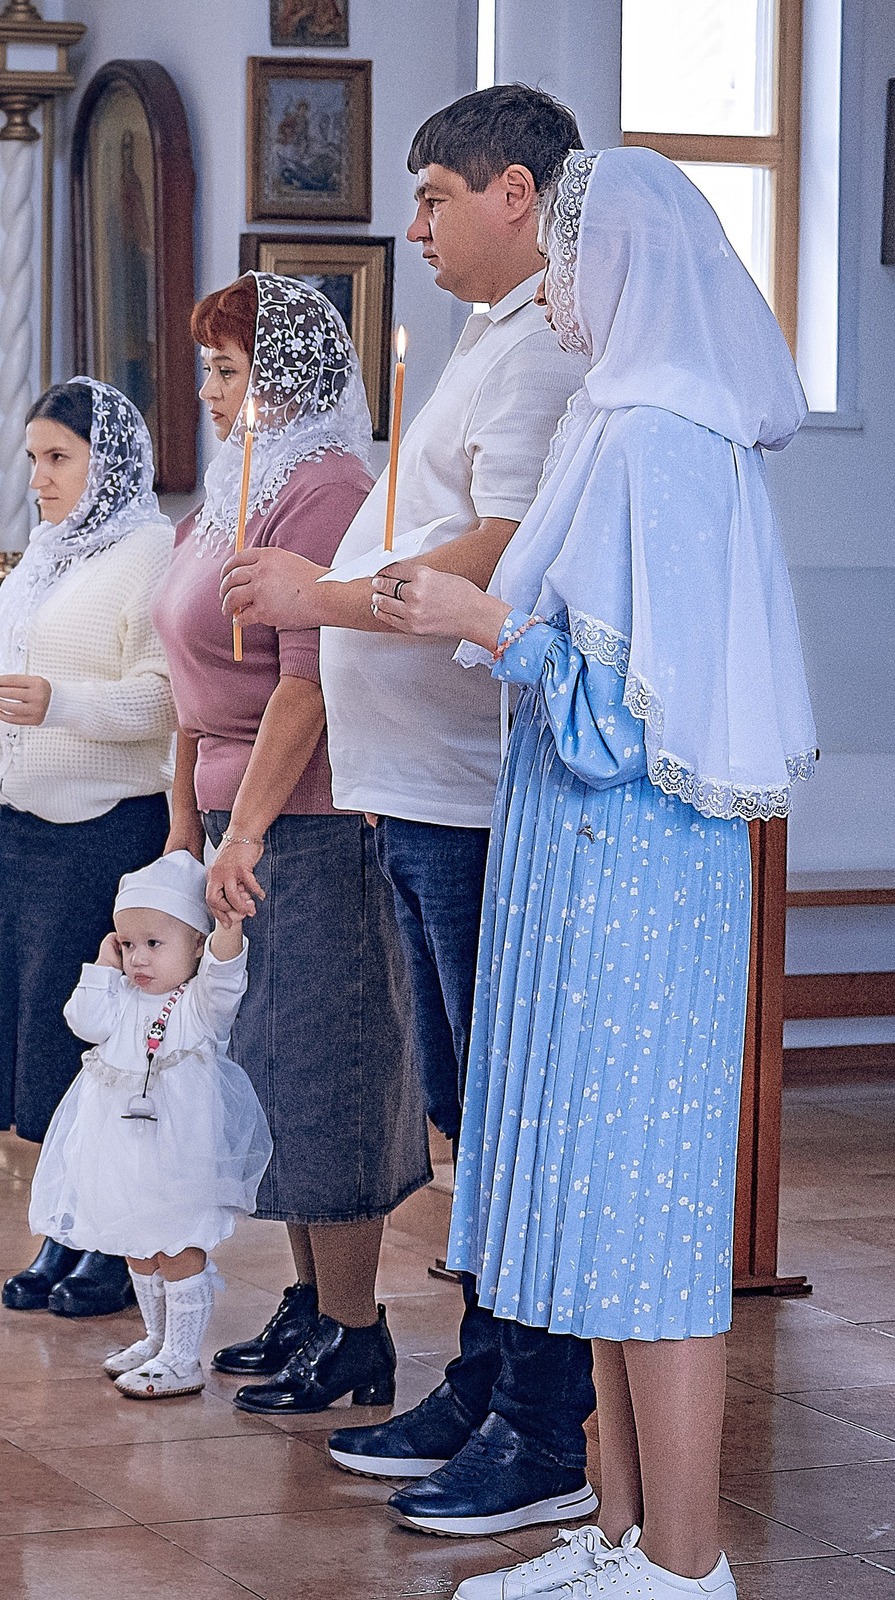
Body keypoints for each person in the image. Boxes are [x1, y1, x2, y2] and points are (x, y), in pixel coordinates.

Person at [373, 146, 814, 1600]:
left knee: (653, 1223)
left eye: (566, 261)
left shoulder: (667, 438)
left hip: (639, 871)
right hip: (585, 868)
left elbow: (637, 722)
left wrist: (480, 618)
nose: (553, 293)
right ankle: (618, 1537)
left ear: (622, 263)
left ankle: (685, 1566)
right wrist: (497, 622)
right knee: (598, 1212)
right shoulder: (617, 424)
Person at [221, 85, 599, 1536]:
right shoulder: (487, 343)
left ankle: (539, 1422)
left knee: (501, 1120)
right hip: (419, 794)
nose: (417, 224)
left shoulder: (546, 355)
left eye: (435, 194)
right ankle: (490, 1377)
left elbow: (499, 550)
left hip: (478, 797)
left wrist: (318, 596)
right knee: (462, 1114)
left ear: (516, 191)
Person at [152, 272, 428, 1413]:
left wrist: (247, 827)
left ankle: (358, 1330)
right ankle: (312, 1303)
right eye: (210, 370)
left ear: (286, 378)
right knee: (269, 1070)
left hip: (308, 823)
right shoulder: (235, 490)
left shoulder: (323, 493)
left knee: (328, 1070)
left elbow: (305, 690)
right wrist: (192, 823)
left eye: (227, 370)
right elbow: (189, 675)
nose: (211, 393)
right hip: (240, 817)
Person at [0, 377, 175, 1320]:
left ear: (105, 462)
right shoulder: (45, 554)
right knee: (40, 1039)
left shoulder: (149, 551)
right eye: (33, 457)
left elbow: (162, 700)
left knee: (102, 1046)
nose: (37, 478)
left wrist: (60, 704)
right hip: (29, 831)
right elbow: (16, 662)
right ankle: (66, 1226)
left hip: (107, 833)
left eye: (57, 458)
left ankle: (114, 1246)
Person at [27, 851, 268, 1399]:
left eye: (153, 944)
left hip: (177, 1154)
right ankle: (157, 1339)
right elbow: (83, 1023)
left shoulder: (200, 1004)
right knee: (137, 1242)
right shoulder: (121, 998)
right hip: (120, 1150)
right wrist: (102, 965)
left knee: (177, 1245)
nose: (138, 958)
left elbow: (228, 975)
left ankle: (183, 1356)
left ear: (196, 943)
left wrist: (227, 932)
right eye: (127, 943)